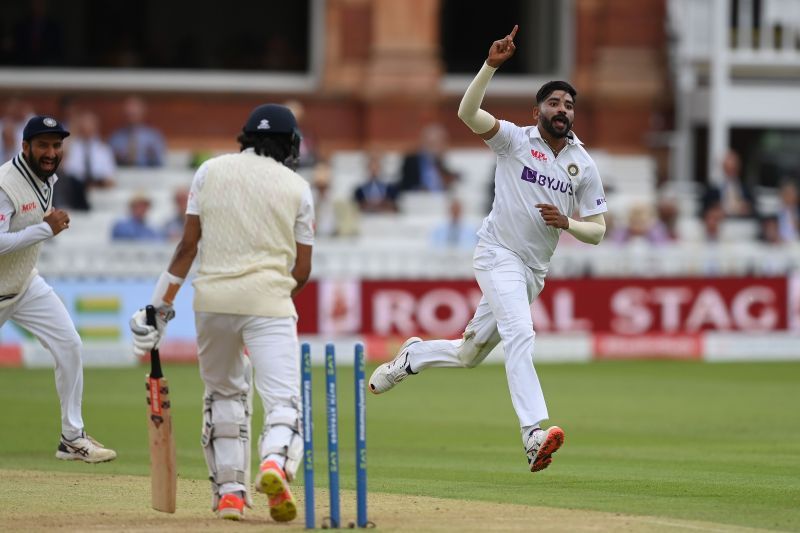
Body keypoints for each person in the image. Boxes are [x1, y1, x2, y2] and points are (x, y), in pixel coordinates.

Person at [369, 26, 608, 474]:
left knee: (469, 354)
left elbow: (597, 231)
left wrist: (567, 222)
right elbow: (467, 112)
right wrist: (490, 66)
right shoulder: (515, 140)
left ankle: (413, 357)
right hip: (498, 254)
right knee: (522, 334)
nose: (562, 110)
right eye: (554, 103)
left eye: (569, 105)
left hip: (533, 271)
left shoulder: (583, 164)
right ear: (537, 110)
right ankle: (533, 433)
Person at [129, 104, 314, 522]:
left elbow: (186, 248)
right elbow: (301, 271)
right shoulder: (298, 187)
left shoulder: (208, 172)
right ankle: (274, 463)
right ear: (289, 144)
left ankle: (230, 493)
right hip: (268, 302)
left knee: (224, 395)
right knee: (284, 400)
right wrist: (272, 302)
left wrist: (158, 308)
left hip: (211, 303)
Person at [0, 115, 116, 463]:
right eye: (43, 145)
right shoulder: (5, 184)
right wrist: (45, 231)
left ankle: (71, 437)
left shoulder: (47, 176)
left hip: (24, 285)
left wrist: (44, 229)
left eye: (56, 145)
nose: (51, 152)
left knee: (69, 344)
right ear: (25, 147)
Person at [58, 110, 116, 211]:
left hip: (98, 190)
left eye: (90, 125)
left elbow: (110, 178)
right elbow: (64, 171)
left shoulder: (104, 149)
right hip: (75, 191)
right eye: (84, 125)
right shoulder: (71, 147)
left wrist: (95, 185)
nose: (86, 129)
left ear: (96, 127)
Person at [397, 123, 459, 193]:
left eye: (440, 144)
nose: (438, 148)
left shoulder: (441, 163)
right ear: (425, 142)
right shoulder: (411, 161)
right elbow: (405, 185)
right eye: (433, 144)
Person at [108, 96, 166, 167]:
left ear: (142, 113)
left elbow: (160, 163)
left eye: (134, 114)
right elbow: (108, 164)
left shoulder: (153, 137)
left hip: (148, 175)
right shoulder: (116, 138)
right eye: (129, 114)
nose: (131, 118)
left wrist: (152, 155)